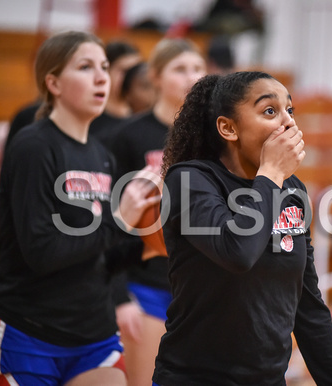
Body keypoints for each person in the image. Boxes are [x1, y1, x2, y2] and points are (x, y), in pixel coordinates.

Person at [0, 30, 161, 385]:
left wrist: (149, 245)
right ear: (54, 83)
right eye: (86, 67)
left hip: (94, 334)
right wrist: (121, 219)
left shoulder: (102, 155)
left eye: (105, 67)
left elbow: (98, 256)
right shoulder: (33, 146)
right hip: (26, 332)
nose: (102, 77)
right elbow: (43, 252)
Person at [152, 71, 332, 385]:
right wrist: (271, 173)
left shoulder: (292, 191)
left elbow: (308, 307)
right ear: (228, 128)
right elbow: (238, 253)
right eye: (270, 111)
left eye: (290, 110)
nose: (288, 122)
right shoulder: (190, 180)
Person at [111, 37, 207, 386]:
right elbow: (114, 221)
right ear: (155, 77)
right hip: (147, 280)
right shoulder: (129, 136)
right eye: (180, 69)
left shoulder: (216, 136)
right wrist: (118, 296)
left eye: (197, 68)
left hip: (201, 284)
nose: (191, 77)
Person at [4, 40, 141, 151]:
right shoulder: (35, 132)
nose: (133, 77)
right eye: (125, 71)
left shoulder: (138, 123)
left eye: (137, 70)